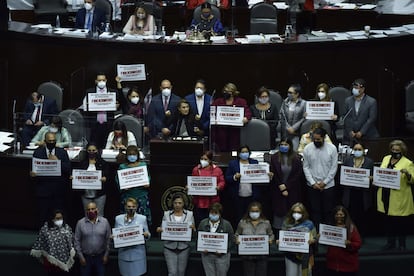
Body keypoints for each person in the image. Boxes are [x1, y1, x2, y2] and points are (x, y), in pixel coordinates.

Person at [376, 139, 414, 251]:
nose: (394, 151)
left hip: (399, 197)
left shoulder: (408, 162)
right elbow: (381, 172)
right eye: (393, 149)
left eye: (397, 150)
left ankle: (402, 245)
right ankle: (390, 243)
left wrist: (407, 174)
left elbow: (412, 180)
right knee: (388, 221)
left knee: (400, 223)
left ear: (402, 151)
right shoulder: (386, 158)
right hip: (385, 194)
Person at [30, 132, 71, 227]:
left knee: (59, 217)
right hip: (43, 191)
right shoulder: (38, 152)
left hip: (58, 191)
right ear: (45, 141)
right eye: (50, 141)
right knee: (43, 217)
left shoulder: (62, 152)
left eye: (53, 141)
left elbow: (68, 169)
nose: (52, 142)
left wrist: (57, 162)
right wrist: (32, 174)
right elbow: (32, 170)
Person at [302, 127, 338, 229]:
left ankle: (327, 237)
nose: (316, 141)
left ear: (324, 137)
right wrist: (313, 183)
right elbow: (306, 167)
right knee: (315, 211)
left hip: (328, 186)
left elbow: (334, 167)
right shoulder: (308, 148)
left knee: (328, 211)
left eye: (318, 139)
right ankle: (316, 234)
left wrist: (325, 182)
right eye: (314, 139)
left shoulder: (332, 148)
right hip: (312, 186)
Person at [82, 72, 128, 149]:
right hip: (94, 124)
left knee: (107, 146)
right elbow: (84, 108)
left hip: (108, 124)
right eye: (99, 80)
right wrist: (87, 106)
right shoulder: (89, 92)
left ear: (106, 80)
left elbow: (122, 105)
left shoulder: (113, 92)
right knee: (94, 146)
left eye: (103, 80)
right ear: (96, 81)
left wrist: (117, 106)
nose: (101, 82)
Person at [269, 138, 305, 234]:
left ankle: (292, 232)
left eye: (286, 145)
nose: (283, 146)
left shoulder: (297, 157)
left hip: (292, 189)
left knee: (292, 210)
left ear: (290, 146)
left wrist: (286, 186)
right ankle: (278, 234)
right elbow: (274, 173)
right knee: (279, 211)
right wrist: (281, 186)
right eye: (281, 145)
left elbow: (298, 174)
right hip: (278, 188)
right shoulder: (274, 157)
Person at [156, 193, 195, 276]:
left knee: (181, 273)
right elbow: (162, 228)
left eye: (180, 203)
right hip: (169, 247)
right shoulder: (166, 214)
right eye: (175, 203)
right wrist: (159, 229)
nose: (177, 205)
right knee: (172, 273)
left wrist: (193, 229)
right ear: (172, 203)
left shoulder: (189, 214)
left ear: (184, 203)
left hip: (184, 247)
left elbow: (193, 231)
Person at [341, 142, 374, 238]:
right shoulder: (347, 161)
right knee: (350, 216)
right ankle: (350, 236)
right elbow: (343, 176)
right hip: (350, 193)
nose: (357, 151)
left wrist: (371, 178)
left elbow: (373, 178)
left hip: (363, 194)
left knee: (362, 217)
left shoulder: (369, 162)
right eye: (355, 149)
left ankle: (361, 236)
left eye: (359, 149)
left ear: (364, 151)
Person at [30, 209, 75, 275]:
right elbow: (39, 245)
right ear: (52, 219)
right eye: (57, 218)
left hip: (65, 265)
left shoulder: (66, 228)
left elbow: (73, 242)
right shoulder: (45, 230)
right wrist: (45, 261)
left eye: (61, 218)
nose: (60, 220)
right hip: (51, 265)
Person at [235, 201, 274, 276]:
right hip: (247, 256)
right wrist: (237, 239)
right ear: (249, 212)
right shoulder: (242, 222)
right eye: (252, 211)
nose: (254, 213)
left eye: (256, 211)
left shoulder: (266, 223)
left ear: (260, 211)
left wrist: (270, 239)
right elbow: (237, 234)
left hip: (262, 256)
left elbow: (271, 235)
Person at [225, 145, 260, 227]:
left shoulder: (254, 162)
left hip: (252, 195)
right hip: (238, 196)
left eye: (246, 152)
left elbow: (259, 175)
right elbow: (227, 178)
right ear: (239, 153)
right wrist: (234, 177)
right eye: (242, 152)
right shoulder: (233, 163)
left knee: (251, 216)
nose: (245, 154)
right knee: (239, 216)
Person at [116, 145, 152, 225]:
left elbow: (148, 178)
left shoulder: (143, 165)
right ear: (127, 155)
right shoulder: (122, 167)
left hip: (141, 196)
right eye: (130, 154)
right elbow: (118, 181)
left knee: (142, 219)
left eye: (134, 154)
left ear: (137, 155)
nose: (132, 156)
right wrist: (122, 187)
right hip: (127, 196)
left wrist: (147, 183)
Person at [114, 197, 151, 276]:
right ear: (125, 207)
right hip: (124, 254)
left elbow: (148, 234)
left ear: (136, 207)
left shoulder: (142, 218)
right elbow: (115, 234)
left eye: (133, 207)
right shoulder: (118, 219)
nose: (131, 208)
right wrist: (113, 237)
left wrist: (146, 235)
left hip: (138, 254)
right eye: (129, 206)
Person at [211, 83, 252, 152]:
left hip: (235, 131)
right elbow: (211, 112)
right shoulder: (218, 101)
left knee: (234, 150)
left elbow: (248, 112)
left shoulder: (241, 101)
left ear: (233, 93)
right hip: (221, 131)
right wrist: (214, 119)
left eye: (228, 92)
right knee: (222, 150)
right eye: (225, 91)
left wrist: (246, 118)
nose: (226, 93)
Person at [74, 201, 111, 276]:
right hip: (85, 257)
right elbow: (76, 241)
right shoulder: (80, 223)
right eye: (88, 209)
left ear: (97, 210)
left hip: (100, 257)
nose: (91, 211)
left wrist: (106, 255)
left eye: (93, 209)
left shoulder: (105, 222)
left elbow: (108, 239)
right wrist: (80, 256)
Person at [280, 202, 317, 276]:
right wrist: (280, 241)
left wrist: (313, 240)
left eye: (299, 212)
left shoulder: (309, 224)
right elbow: (282, 237)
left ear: (303, 213)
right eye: (294, 212)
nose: (296, 214)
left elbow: (315, 237)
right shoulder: (286, 223)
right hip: (290, 255)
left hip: (305, 255)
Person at [198, 202, 234, 276]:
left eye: (216, 213)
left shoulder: (227, 224)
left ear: (220, 214)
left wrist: (224, 250)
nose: (213, 214)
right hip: (207, 255)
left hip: (222, 256)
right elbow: (198, 238)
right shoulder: (203, 223)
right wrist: (201, 248)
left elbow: (231, 240)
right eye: (211, 212)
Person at [190, 150, 225, 224]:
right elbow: (192, 181)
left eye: (205, 159)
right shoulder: (196, 169)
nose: (203, 161)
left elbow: (222, 182)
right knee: (200, 221)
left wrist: (219, 186)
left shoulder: (217, 170)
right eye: (201, 159)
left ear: (210, 160)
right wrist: (189, 186)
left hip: (212, 200)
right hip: (199, 200)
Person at [325, 205, 362, 276]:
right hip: (332, 266)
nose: (339, 216)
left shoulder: (351, 228)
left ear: (345, 215)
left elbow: (358, 243)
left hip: (348, 267)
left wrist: (349, 244)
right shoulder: (329, 227)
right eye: (337, 214)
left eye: (341, 214)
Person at [74, 142, 109, 216]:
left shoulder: (103, 163)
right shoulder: (82, 163)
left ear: (97, 151)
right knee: (88, 215)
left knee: (99, 215)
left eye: (93, 150)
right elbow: (78, 175)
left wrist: (104, 178)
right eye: (89, 150)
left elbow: (108, 176)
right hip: (86, 194)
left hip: (99, 194)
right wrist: (74, 178)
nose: (91, 152)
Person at [343, 78, 379, 146]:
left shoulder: (371, 101)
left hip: (368, 135)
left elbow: (371, 119)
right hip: (351, 136)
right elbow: (346, 117)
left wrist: (361, 132)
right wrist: (350, 130)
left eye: (357, 88)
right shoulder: (347, 101)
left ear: (363, 89)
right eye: (354, 88)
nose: (354, 89)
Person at [279, 84, 306, 151]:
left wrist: (293, 128)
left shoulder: (304, 103)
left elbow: (304, 118)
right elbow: (282, 116)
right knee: (284, 151)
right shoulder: (285, 102)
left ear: (297, 94)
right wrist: (288, 128)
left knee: (294, 152)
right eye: (288, 92)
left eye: (290, 93)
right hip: (285, 132)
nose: (288, 94)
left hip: (297, 133)